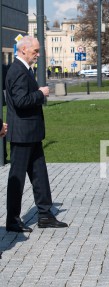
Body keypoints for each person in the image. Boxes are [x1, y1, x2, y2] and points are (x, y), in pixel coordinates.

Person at [4, 36, 68, 232]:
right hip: (22, 134)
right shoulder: (18, 71)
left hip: (31, 133)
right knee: (17, 178)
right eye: (35, 51)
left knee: (40, 175)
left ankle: (45, 215)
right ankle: (13, 220)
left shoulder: (24, 69)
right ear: (23, 50)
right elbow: (21, 101)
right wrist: (41, 93)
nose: (38, 55)